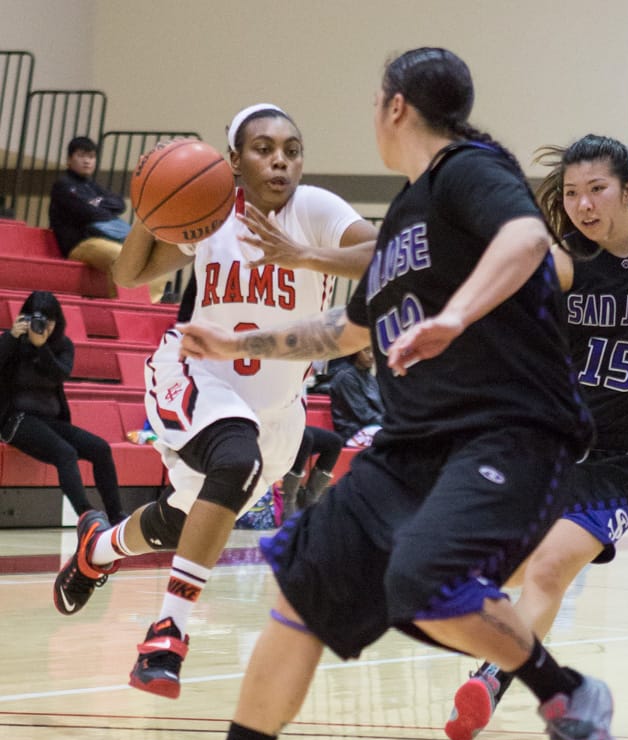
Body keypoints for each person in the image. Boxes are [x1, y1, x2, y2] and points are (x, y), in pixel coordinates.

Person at [134, 48, 621, 740]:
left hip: (507, 431)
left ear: (396, 107)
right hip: (411, 445)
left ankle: (568, 696)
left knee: (420, 581)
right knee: (300, 589)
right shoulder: (402, 224)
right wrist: (233, 341)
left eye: (374, 102)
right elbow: (344, 330)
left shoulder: (467, 169)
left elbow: (529, 239)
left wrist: (456, 317)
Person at [52, 103, 377, 701]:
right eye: (263, 148)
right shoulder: (209, 214)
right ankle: (167, 634)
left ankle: (98, 548)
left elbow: (383, 255)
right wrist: (153, 210)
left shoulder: (317, 211)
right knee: (235, 459)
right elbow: (129, 275)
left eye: (292, 148)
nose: (280, 159)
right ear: (232, 160)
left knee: (181, 523)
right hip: (196, 372)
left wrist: (301, 256)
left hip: (277, 407)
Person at [444, 134, 628, 740]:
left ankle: (490, 682)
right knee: (494, 570)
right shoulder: (559, 263)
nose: (583, 205)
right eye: (571, 193)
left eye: (596, 190)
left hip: (622, 461)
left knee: (548, 571)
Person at [0, 290, 125, 530]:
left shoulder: (62, 346)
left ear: (57, 321)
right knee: (65, 453)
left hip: (50, 421)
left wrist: (41, 348)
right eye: (37, 319)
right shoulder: (13, 342)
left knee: (100, 448)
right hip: (15, 420)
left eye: (48, 321)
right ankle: (87, 518)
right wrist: (11, 337)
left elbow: (61, 373)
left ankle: (116, 515)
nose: (42, 326)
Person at [49, 136, 167, 302]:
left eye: (91, 157)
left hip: (103, 240)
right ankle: (120, 305)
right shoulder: (63, 185)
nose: (87, 161)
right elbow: (87, 212)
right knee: (123, 258)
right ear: (69, 159)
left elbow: (119, 204)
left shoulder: (93, 186)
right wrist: (100, 206)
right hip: (80, 244)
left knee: (156, 262)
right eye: (81, 156)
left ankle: (150, 306)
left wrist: (95, 203)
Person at [280, 424, 344, 519]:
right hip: (270, 425)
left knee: (335, 441)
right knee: (305, 438)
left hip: (293, 423)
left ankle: (310, 498)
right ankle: (287, 499)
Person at [329, 345, 384, 447]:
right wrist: (391, 424)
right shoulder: (345, 377)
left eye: (374, 351)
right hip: (352, 432)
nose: (372, 356)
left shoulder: (369, 377)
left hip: (372, 426)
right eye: (366, 351)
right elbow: (364, 414)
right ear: (355, 352)